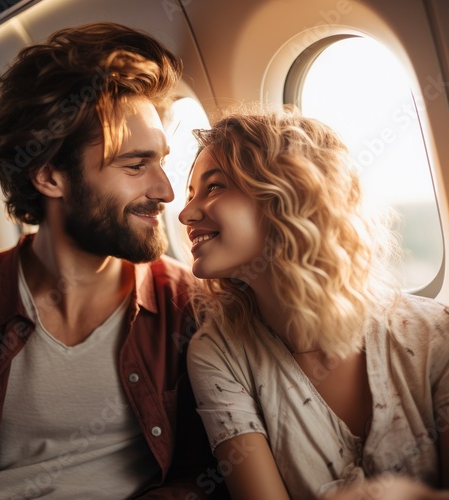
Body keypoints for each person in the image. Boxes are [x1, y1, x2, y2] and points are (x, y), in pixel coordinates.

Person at [0, 22, 228, 499]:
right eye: (135, 165)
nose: (164, 191)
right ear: (49, 177)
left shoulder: (191, 308)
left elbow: (214, 472)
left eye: (161, 161)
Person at [178, 106, 449, 499]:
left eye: (215, 186)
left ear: (288, 195)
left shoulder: (435, 333)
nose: (186, 213)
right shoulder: (217, 353)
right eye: (190, 195)